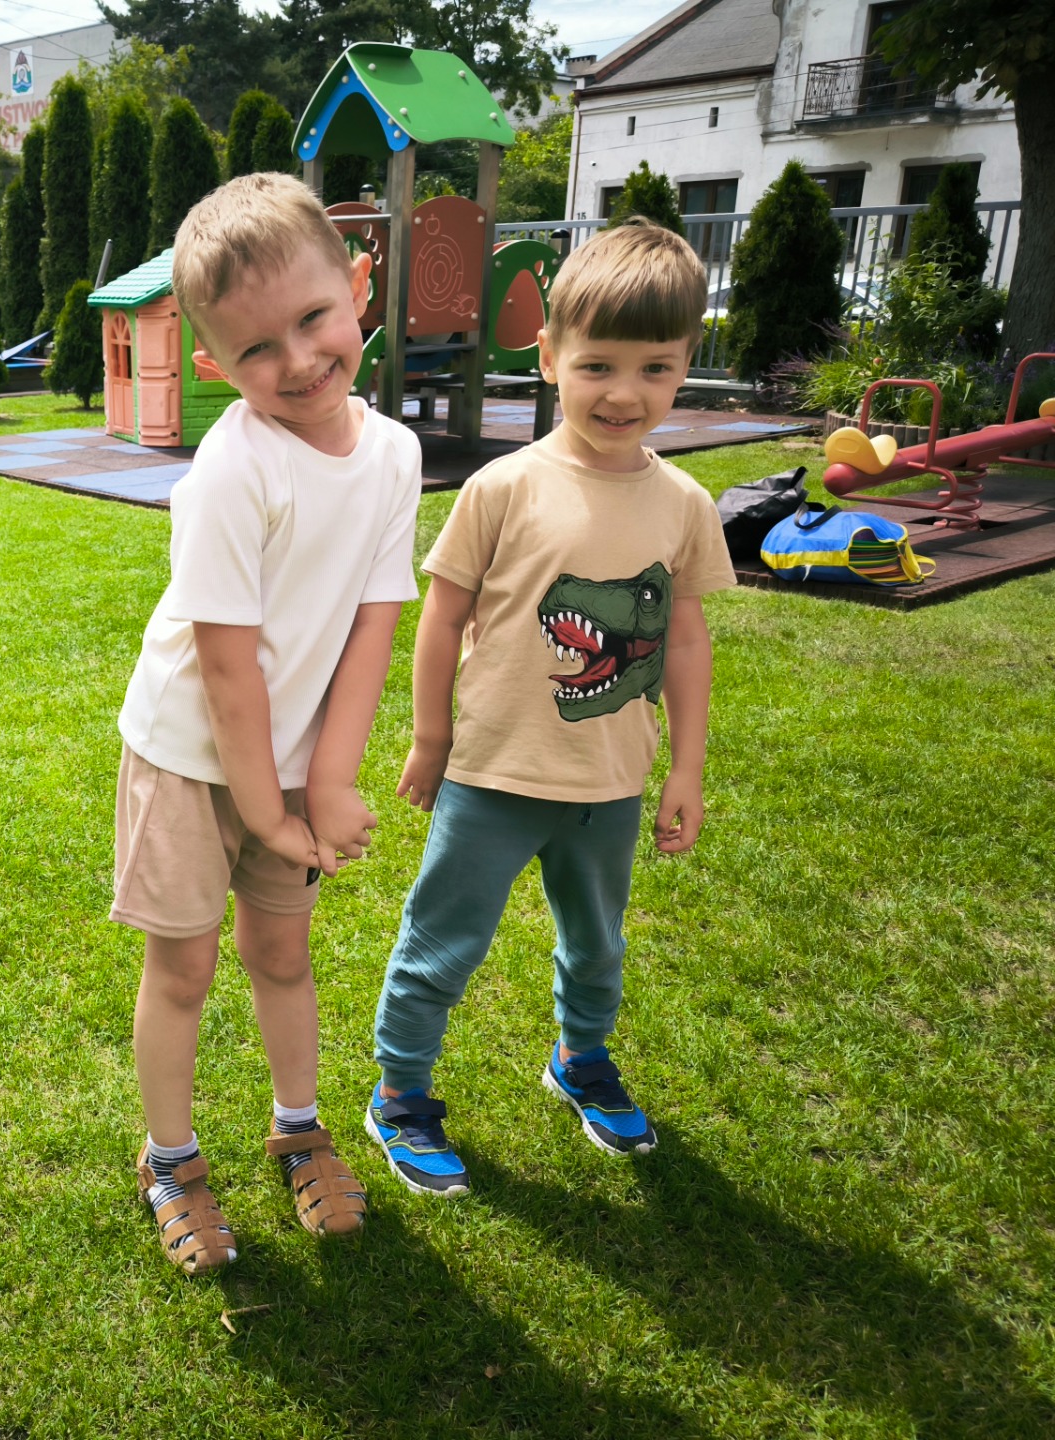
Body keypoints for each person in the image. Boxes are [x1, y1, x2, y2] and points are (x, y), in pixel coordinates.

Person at [365, 220, 736, 1199]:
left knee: (598, 944)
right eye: (597, 365)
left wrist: (686, 768)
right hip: (492, 772)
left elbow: (685, 641)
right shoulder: (503, 488)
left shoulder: (685, 504)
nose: (624, 393)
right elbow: (441, 617)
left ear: (686, 364)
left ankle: (581, 1059)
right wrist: (431, 737)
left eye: (655, 369)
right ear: (548, 358)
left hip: (610, 783)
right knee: (442, 944)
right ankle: (400, 1094)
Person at [113, 173, 424, 1272]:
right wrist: (270, 811)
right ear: (213, 368)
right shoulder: (232, 470)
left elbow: (373, 628)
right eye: (255, 349)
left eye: (313, 318)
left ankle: (299, 1129)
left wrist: (327, 783)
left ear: (360, 285)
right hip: (189, 757)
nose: (296, 361)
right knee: (185, 970)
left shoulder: (394, 455)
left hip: (287, 765)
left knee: (282, 953)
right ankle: (170, 1161)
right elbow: (227, 668)